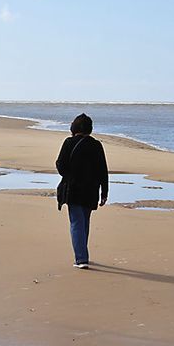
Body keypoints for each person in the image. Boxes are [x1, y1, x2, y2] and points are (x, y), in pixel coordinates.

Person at [55, 113, 109, 268]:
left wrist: (69, 174)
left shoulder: (69, 142)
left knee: (77, 223)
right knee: (84, 222)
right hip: (91, 190)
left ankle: (81, 258)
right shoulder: (96, 145)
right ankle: (82, 254)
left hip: (73, 190)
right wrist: (104, 192)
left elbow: (60, 165)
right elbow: (102, 171)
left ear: (74, 127)